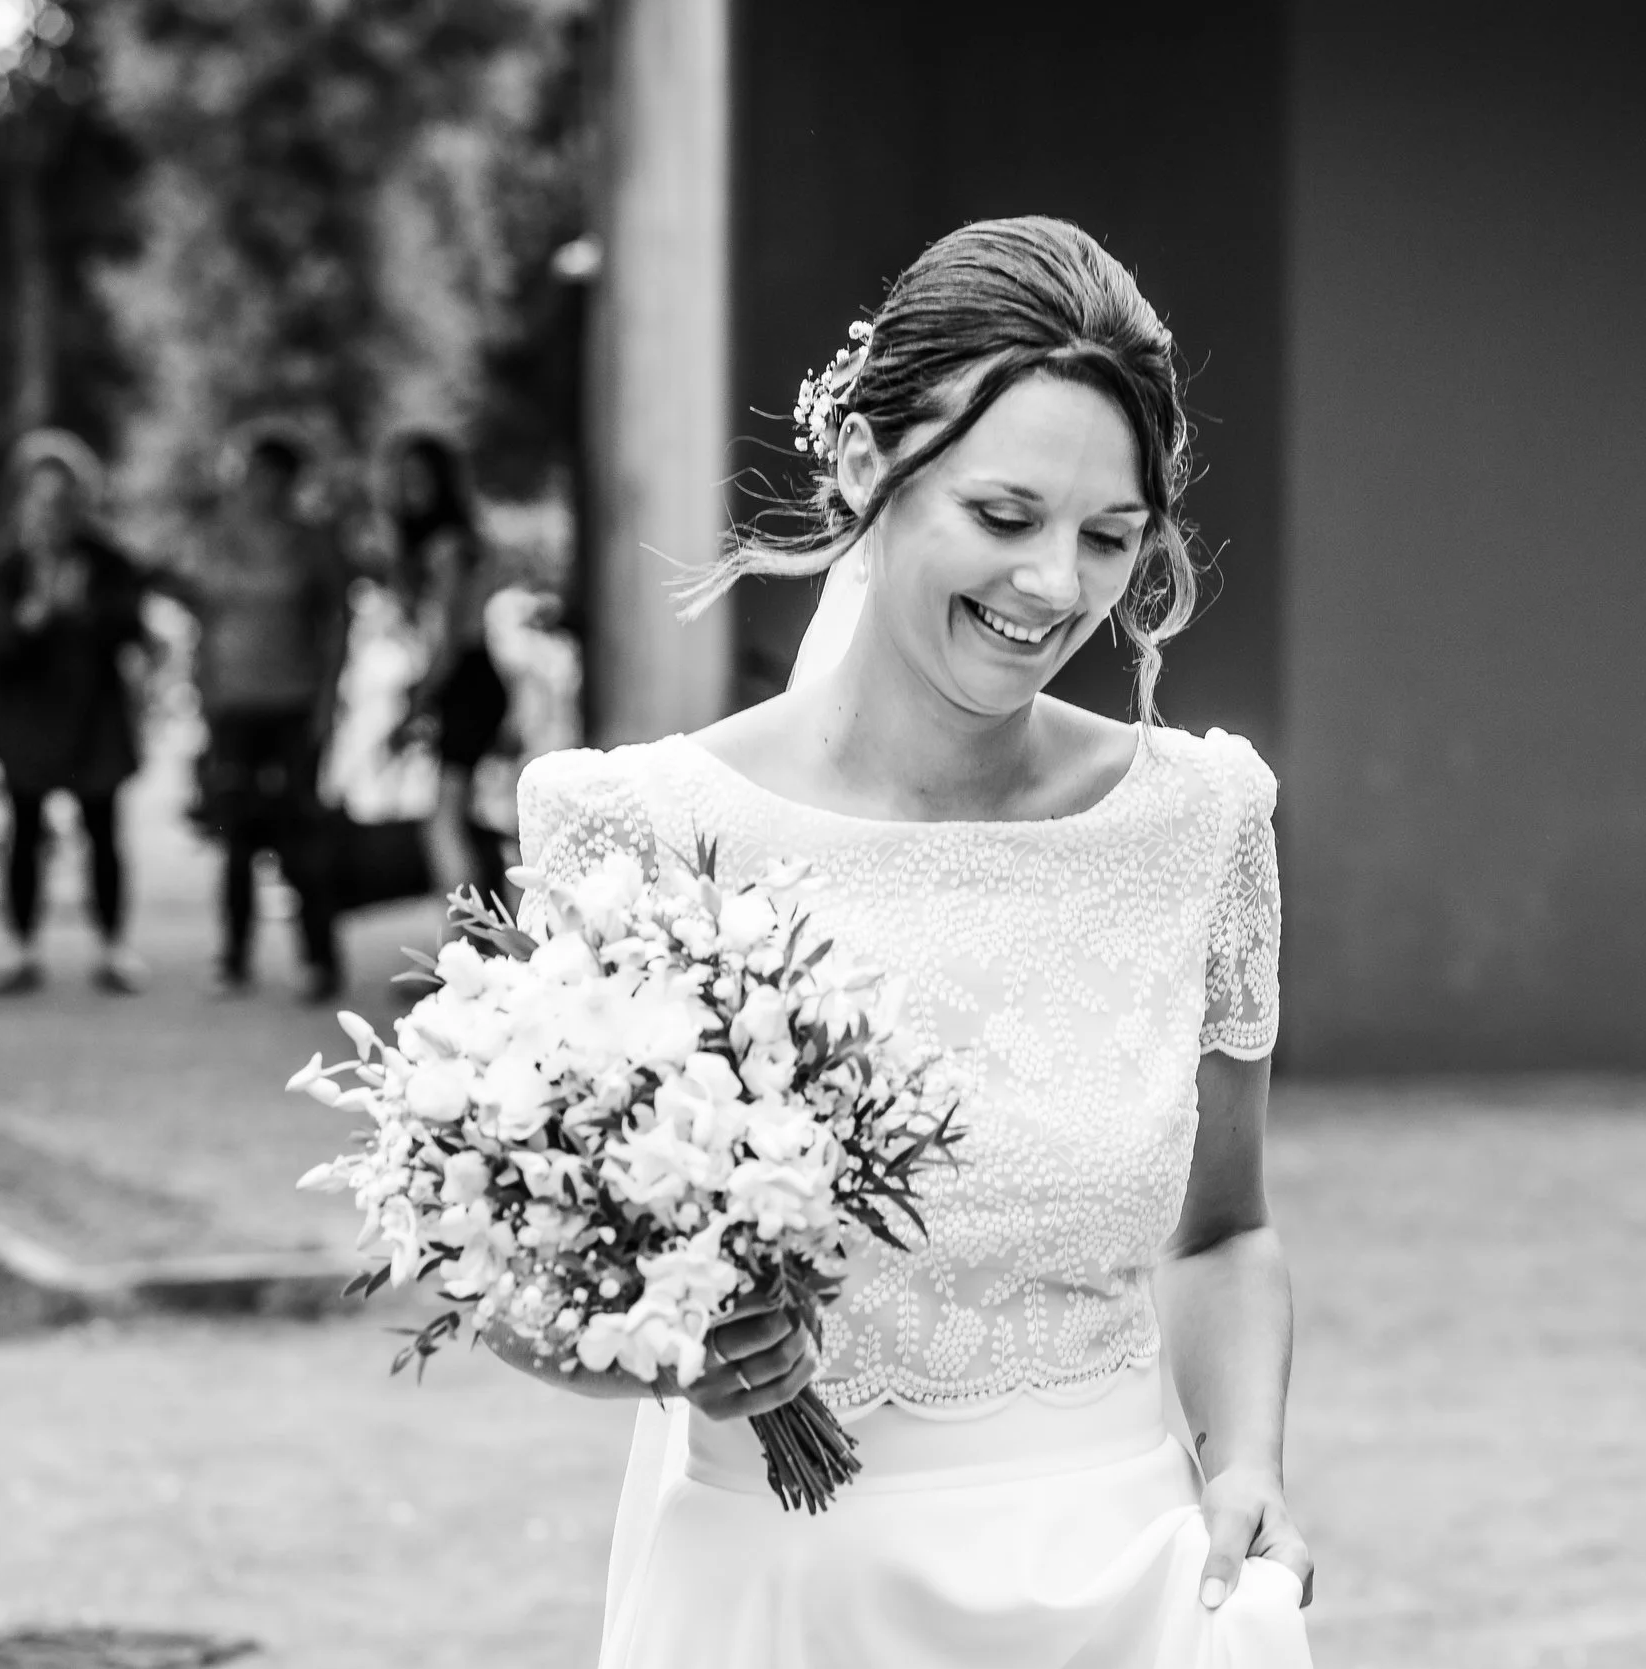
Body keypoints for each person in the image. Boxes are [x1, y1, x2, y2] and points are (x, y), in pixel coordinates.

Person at [496, 218, 1314, 1667]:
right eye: (1004, 518)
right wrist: (664, 1346)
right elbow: (531, 1289)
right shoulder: (633, 833)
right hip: (786, 1600)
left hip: (1124, 1593)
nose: (1056, 586)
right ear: (869, 466)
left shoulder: (1200, 821)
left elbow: (1224, 1229)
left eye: (1109, 537)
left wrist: (1245, 1461)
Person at [154, 426, 349, 1002]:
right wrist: (200, 693)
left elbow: (335, 626)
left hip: (293, 704)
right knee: (234, 834)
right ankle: (234, 958)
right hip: (233, 706)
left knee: (299, 833)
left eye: (272, 477)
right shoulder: (215, 539)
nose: (259, 488)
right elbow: (200, 619)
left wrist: (327, 702)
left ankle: (318, 957)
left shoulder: (312, 545)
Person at [0, 430, 149, 995]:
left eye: (63, 498)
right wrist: (32, 617)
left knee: (102, 829)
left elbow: (132, 629)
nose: (51, 510)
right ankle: (20, 947)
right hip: (27, 719)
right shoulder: (4, 565)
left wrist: (85, 610)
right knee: (23, 831)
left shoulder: (108, 560)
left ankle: (113, 946)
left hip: (93, 717)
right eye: (39, 497)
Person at [381, 429, 510, 924]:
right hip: (463, 682)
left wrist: (417, 702)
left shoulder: (447, 546)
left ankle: (461, 945)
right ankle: (479, 937)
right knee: (458, 819)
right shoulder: (445, 544)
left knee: (443, 823)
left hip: (465, 683)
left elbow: (447, 638)